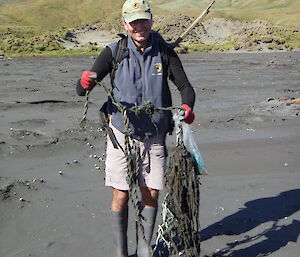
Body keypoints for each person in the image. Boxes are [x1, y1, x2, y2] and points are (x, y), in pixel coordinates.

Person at [76, 1, 195, 256]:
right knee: (121, 194)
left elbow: (186, 86)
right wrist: (84, 81)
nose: (139, 27)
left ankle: (144, 249)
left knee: (150, 192)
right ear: (125, 24)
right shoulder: (114, 52)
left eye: (144, 20)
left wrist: (187, 107)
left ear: (151, 21)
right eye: (134, 22)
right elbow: (82, 88)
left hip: (155, 135)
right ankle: (121, 253)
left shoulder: (164, 52)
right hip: (121, 135)